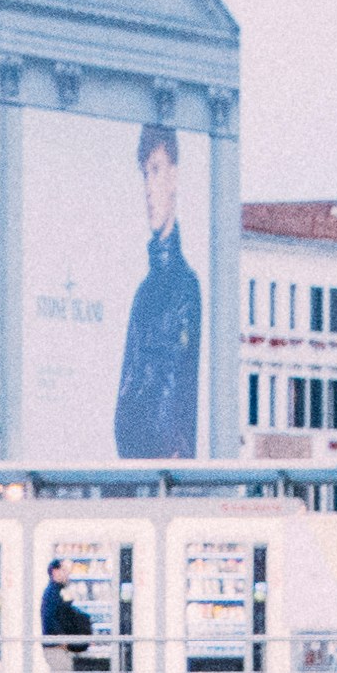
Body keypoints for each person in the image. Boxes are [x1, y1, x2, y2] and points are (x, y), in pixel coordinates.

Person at [114, 120, 205, 459]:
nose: (149, 189)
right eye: (145, 175)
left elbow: (178, 388)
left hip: (160, 466)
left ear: (174, 177)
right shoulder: (144, 292)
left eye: (156, 171)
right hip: (136, 463)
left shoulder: (186, 286)